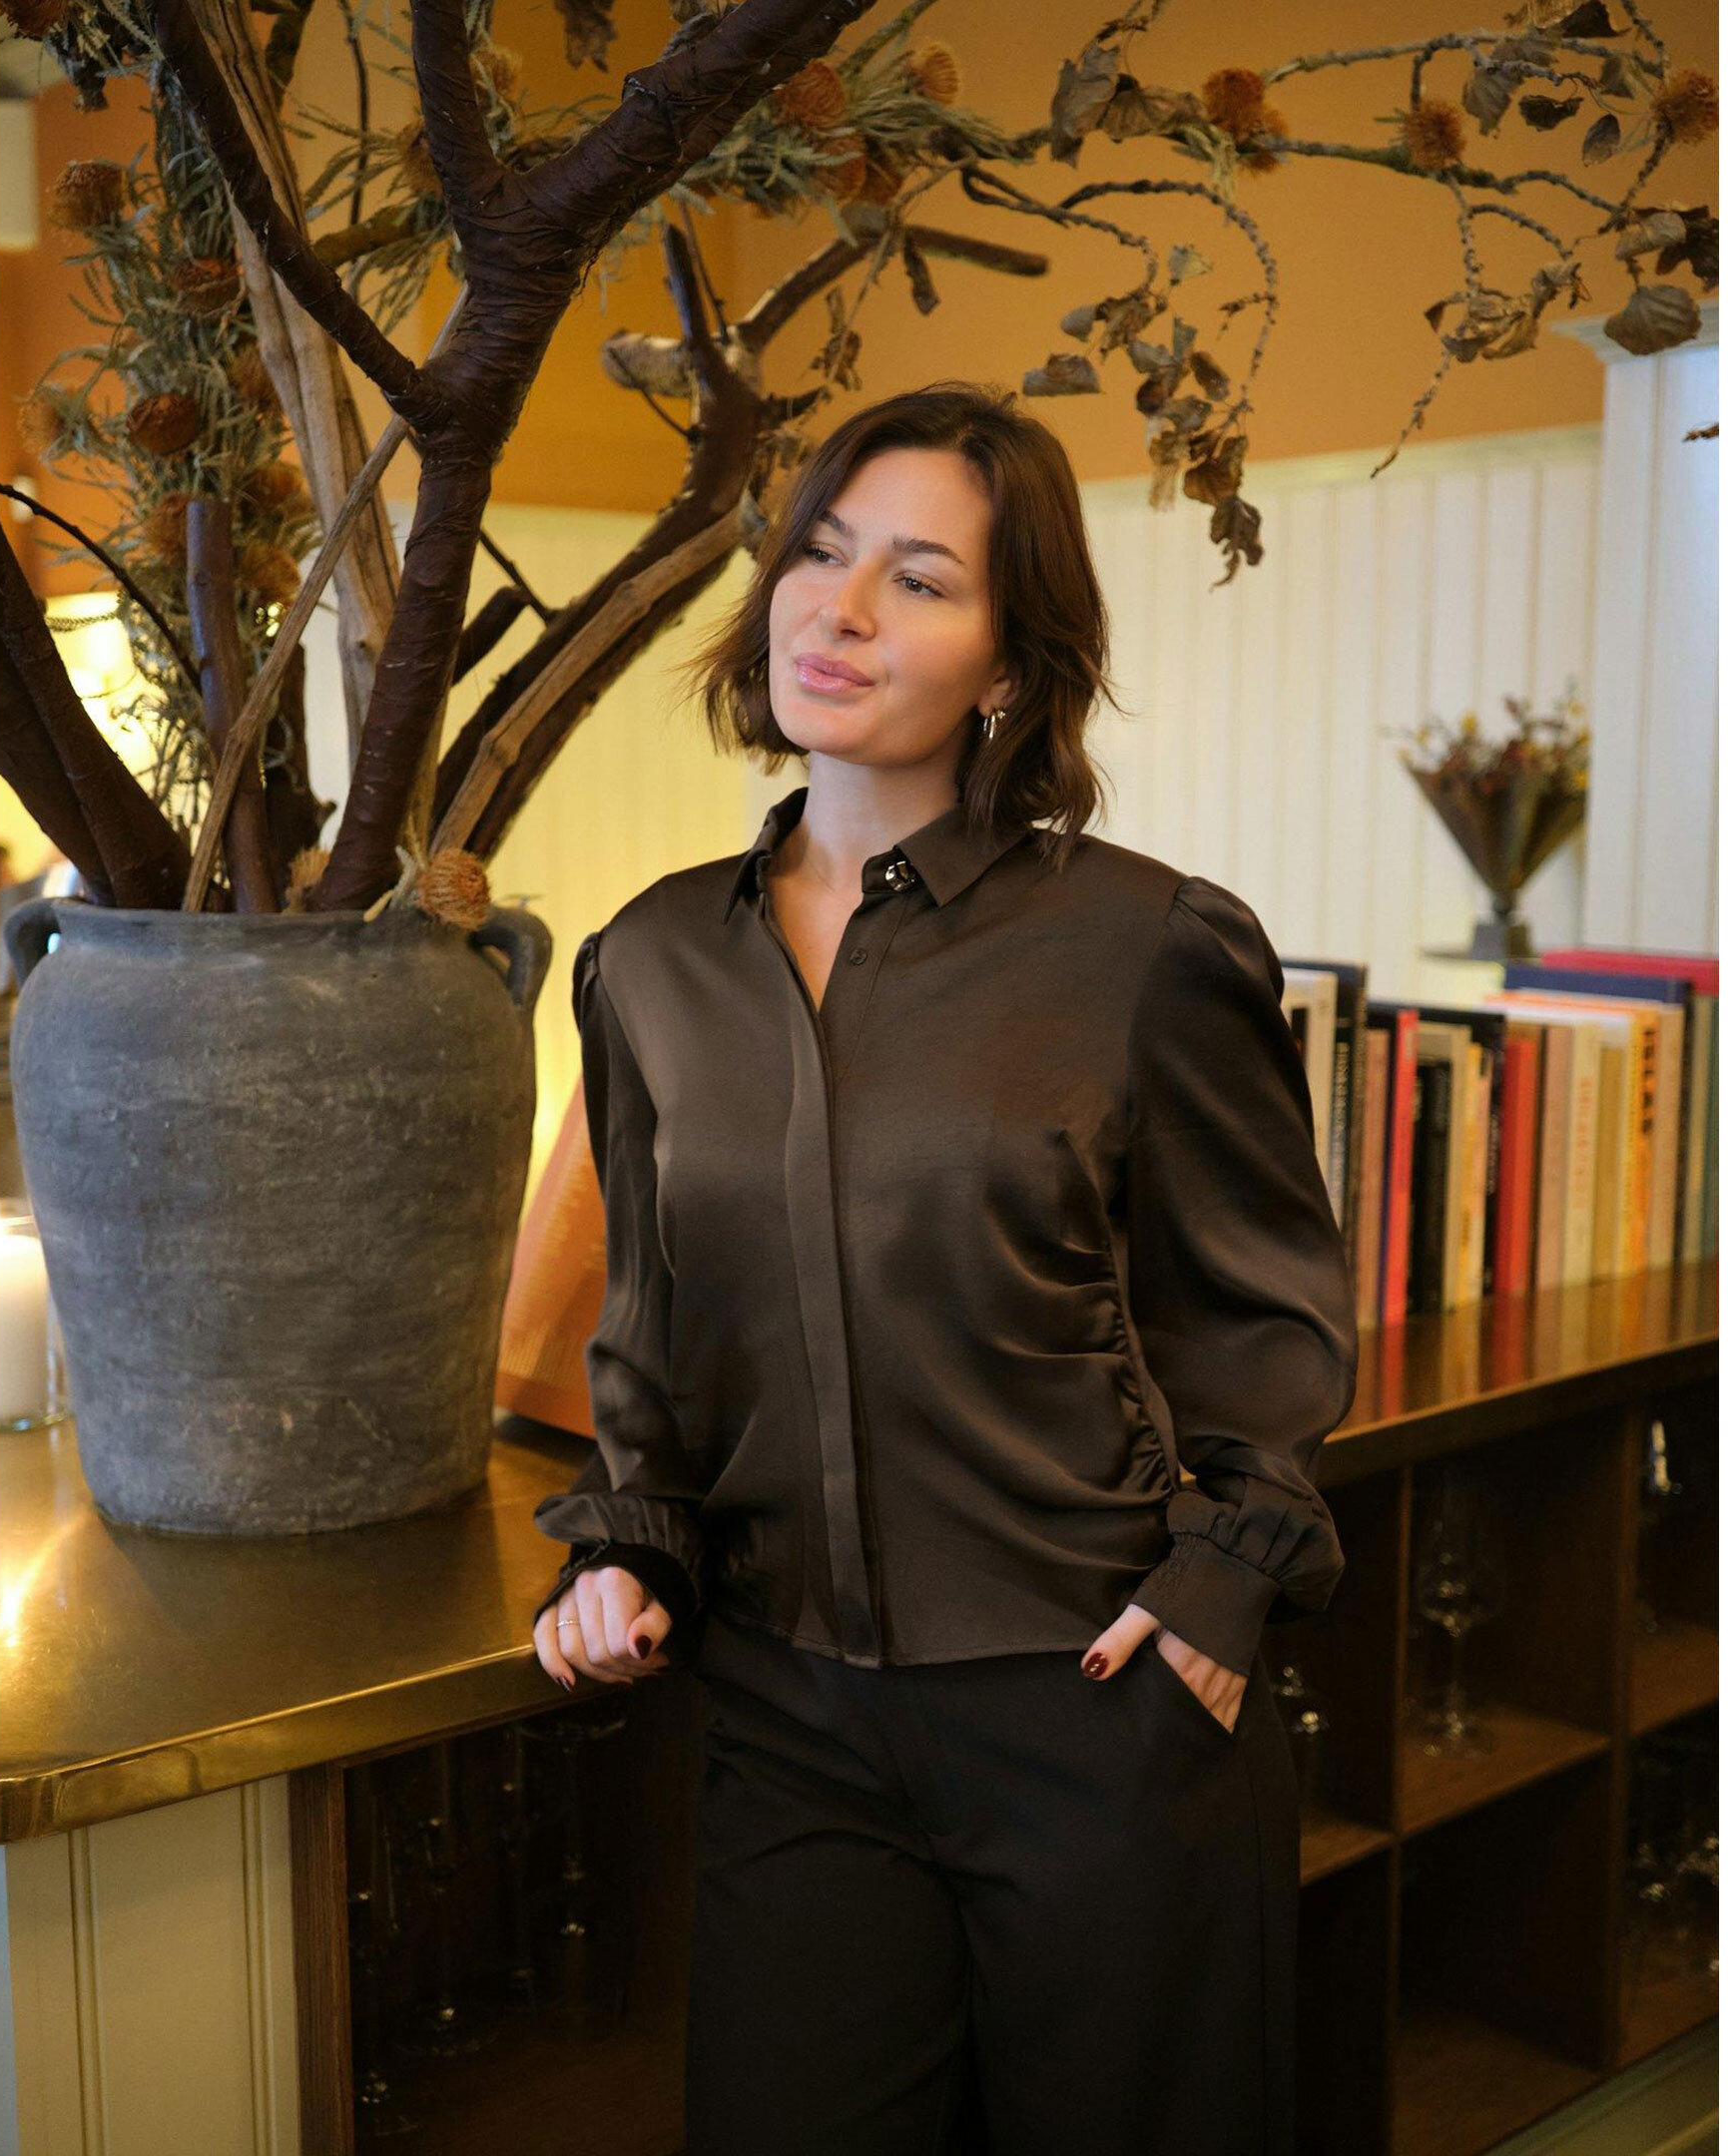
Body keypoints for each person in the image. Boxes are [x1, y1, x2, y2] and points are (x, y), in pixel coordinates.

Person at [530, 381, 1361, 2155]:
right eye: (820, 554)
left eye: (917, 579)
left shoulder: (1145, 946)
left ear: (1006, 663)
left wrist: (1221, 1583)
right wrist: (626, 1543)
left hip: (1101, 1702)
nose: (837, 610)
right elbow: (656, 1330)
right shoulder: (648, 963)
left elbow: (1262, 1313)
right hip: (788, 1724)